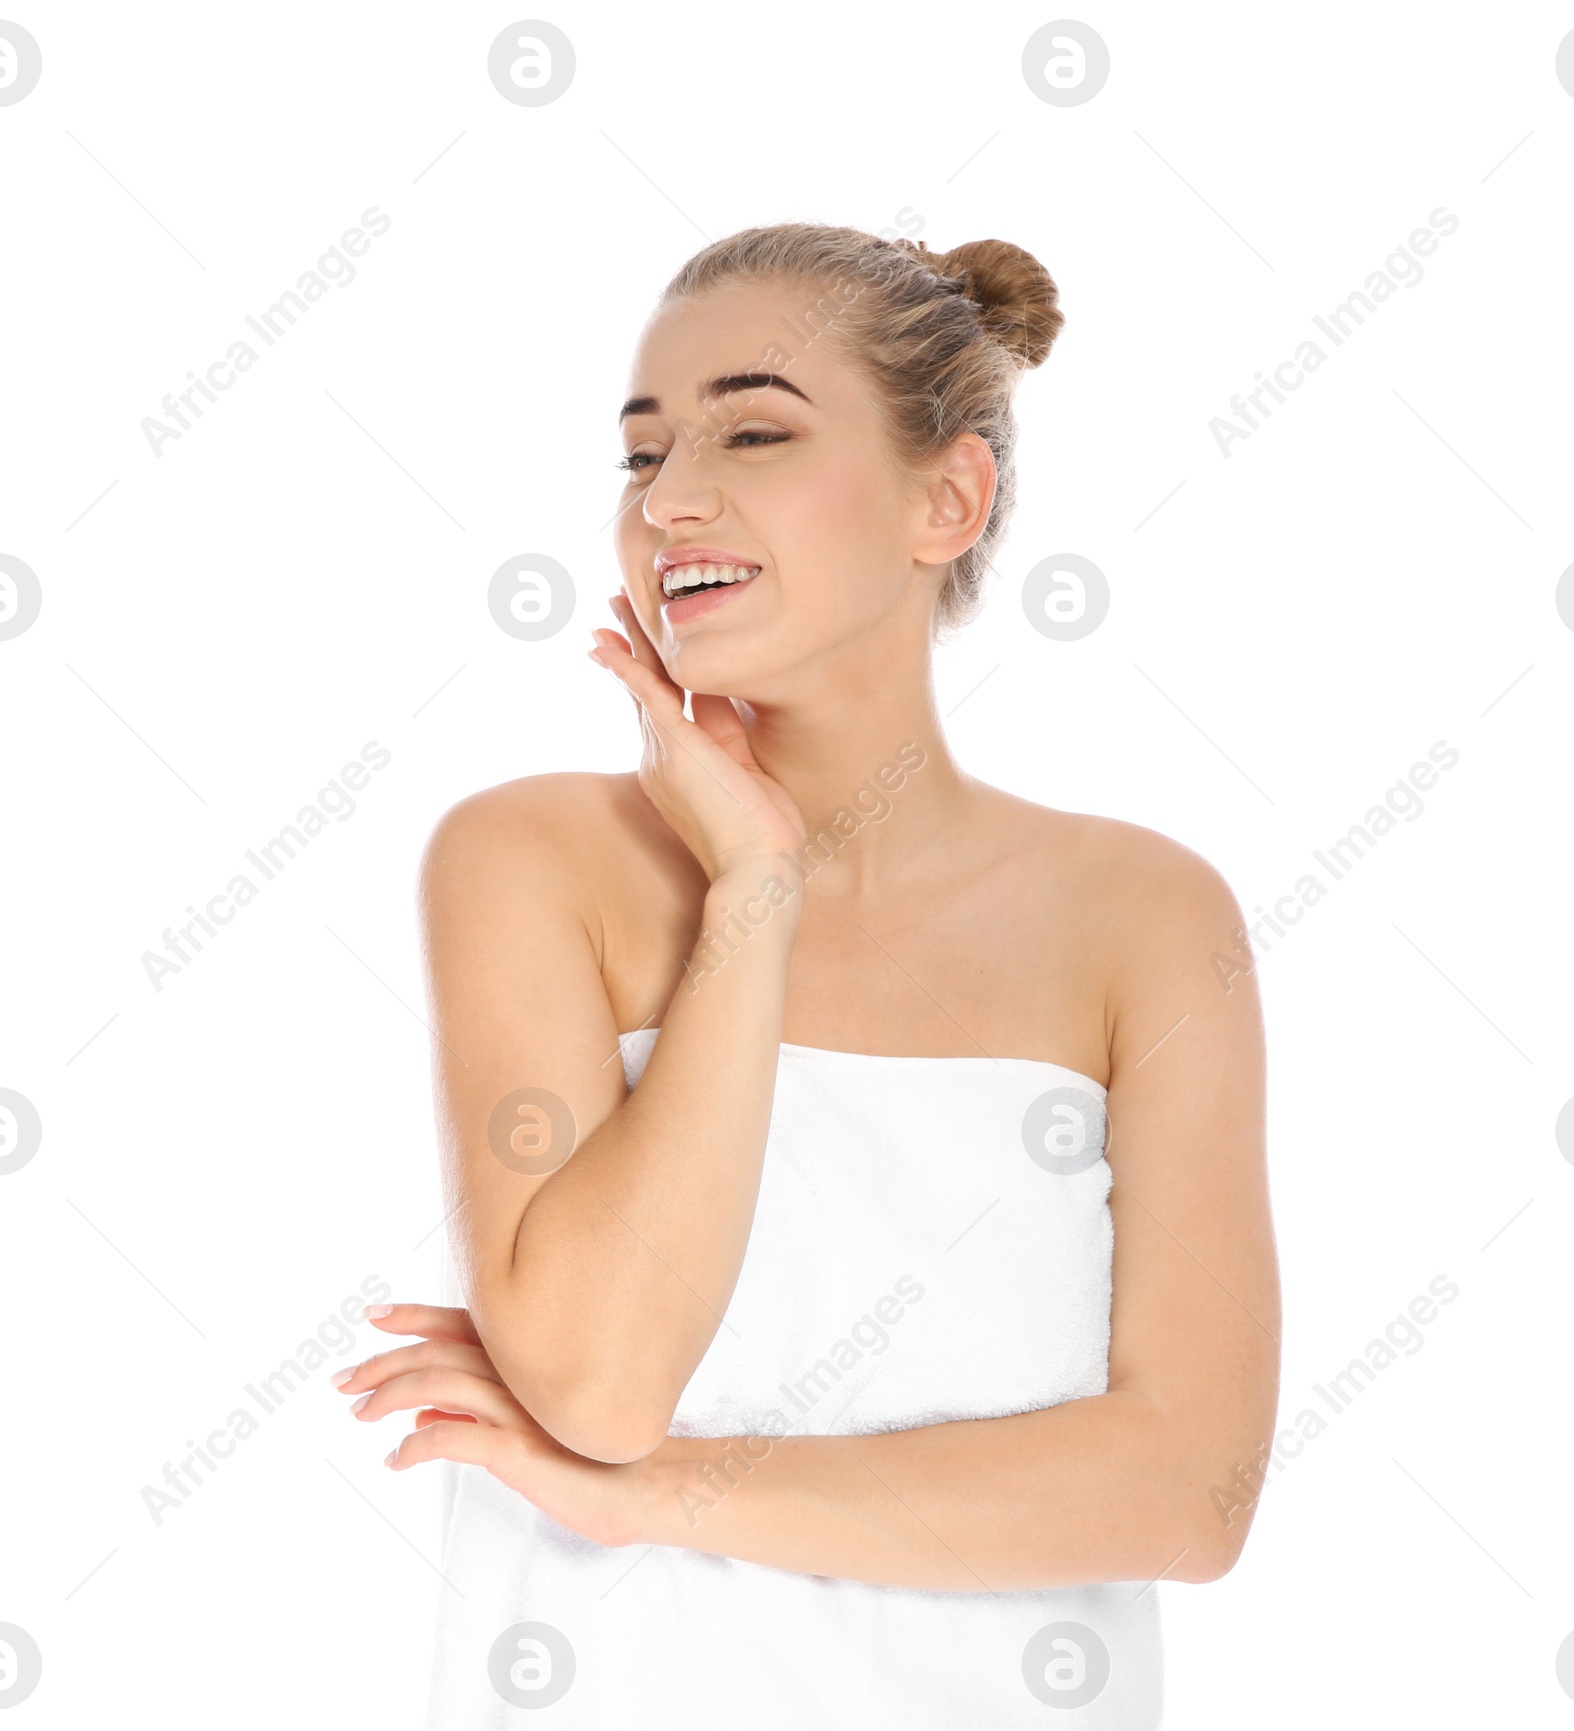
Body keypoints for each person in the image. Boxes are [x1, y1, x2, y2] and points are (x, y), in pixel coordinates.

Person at [331, 222, 1279, 1728]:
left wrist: (659, 1498)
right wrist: (752, 900)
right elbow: (598, 1385)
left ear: (946, 497)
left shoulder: (1145, 917)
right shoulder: (530, 862)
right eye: (642, 459)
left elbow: (1190, 1491)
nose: (673, 502)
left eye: (754, 432)